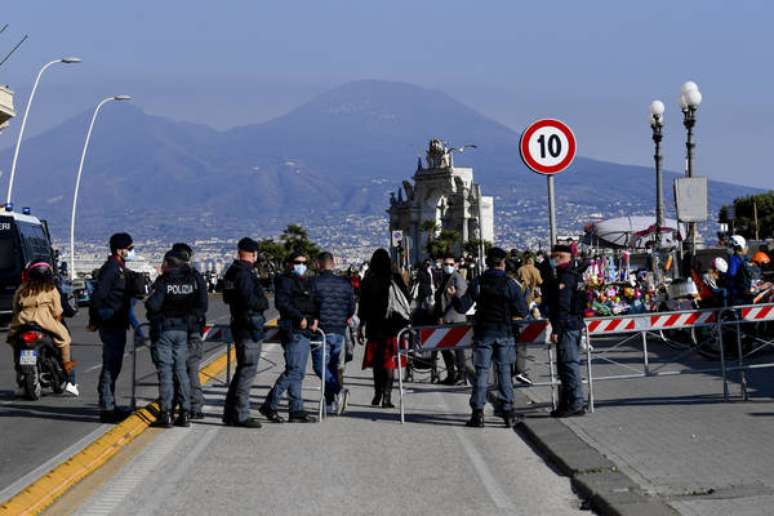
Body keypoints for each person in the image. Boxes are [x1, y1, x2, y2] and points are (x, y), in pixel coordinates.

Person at [450, 247, 529, 428]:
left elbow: (462, 307)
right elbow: (523, 312)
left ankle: (477, 414)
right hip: (504, 333)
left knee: (481, 374)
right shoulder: (510, 284)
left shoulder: (478, 282)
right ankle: (508, 412)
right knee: (504, 374)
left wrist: (454, 297)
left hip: (483, 333)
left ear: (487, 263)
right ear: (503, 263)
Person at [260, 251, 319, 423]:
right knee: (294, 371)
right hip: (293, 329)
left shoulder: (305, 281)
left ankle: (296, 409)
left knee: (298, 372)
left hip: (305, 329)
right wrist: (299, 317)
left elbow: (311, 303)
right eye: (297, 262)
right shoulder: (285, 281)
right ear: (289, 264)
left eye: (304, 262)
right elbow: (283, 303)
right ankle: (270, 404)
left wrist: (314, 318)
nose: (301, 265)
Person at [145, 250, 202, 428]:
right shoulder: (190, 281)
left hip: (166, 330)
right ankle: (185, 413)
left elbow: (153, 305)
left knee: (166, 373)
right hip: (183, 330)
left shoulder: (164, 281)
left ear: (169, 264)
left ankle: (166, 413)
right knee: (182, 372)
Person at [8, 262, 78, 396]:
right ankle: (68, 373)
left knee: (15, 342)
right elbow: (58, 311)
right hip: (45, 321)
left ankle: (20, 374)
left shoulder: (22, 288)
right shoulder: (51, 288)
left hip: (23, 321)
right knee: (64, 341)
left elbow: (15, 307)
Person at [221, 238, 270, 428]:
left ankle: (230, 413)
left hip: (239, 324)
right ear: (253, 253)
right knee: (247, 372)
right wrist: (264, 302)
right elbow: (251, 300)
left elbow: (227, 298)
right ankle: (241, 414)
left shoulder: (232, 272)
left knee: (241, 371)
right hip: (248, 327)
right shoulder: (244, 274)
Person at [89, 233, 138, 423]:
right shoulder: (111, 269)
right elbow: (98, 296)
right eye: (130, 248)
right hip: (111, 323)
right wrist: (95, 319)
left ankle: (110, 404)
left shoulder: (119, 268)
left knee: (114, 365)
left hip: (118, 322)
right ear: (120, 250)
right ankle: (107, 407)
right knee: (111, 364)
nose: (132, 252)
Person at [357, 249, 409, 408]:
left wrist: (361, 326)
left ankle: (377, 393)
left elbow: (363, 306)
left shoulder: (368, 280)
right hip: (392, 326)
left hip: (374, 326)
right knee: (389, 363)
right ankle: (387, 396)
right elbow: (406, 300)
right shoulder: (395, 278)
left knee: (377, 363)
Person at [312, 251, 356, 415]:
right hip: (339, 331)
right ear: (333, 264)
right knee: (331, 367)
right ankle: (330, 402)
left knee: (319, 366)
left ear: (318, 264)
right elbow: (351, 308)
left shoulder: (315, 283)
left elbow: (310, 306)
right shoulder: (345, 284)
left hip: (321, 330)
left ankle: (338, 390)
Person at [545, 244, 586, 418]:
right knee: (565, 367)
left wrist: (557, 329)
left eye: (559, 256)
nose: (555, 260)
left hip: (567, 326)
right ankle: (567, 402)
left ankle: (576, 403)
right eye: (553, 256)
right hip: (573, 324)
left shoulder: (566, 278)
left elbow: (563, 306)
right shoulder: (573, 275)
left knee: (569, 366)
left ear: (568, 257)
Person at [170, 243, 209, 420]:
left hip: (175, 331)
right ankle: (194, 406)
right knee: (191, 369)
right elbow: (203, 305)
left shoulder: (168, 278)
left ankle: (176, 405)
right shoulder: (196, 278)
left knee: (175, 370)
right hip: (192, 331)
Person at [434, 255, 469, 385]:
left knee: (457, 348)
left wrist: (444, 317)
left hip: (454, 318)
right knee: (444, 347)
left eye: (451, 264)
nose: (448, 266)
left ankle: (461, 374)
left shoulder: (457, 279)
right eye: (446, 264)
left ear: (455, 265)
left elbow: (458, 301)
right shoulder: (446, 278)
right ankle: (451, 374)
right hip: (446, 318)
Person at [514, 252, 543, 385]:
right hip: (528, 299)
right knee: (522, 340)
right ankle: (519, 370)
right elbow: (540, 283)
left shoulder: (520, 270)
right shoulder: (536, 270)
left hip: (518, 301)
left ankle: (515, 368)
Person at [727, 235, 752, 306]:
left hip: (737, 293)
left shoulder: (734, 259)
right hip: (747, 291)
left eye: (731, 246)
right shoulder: (745, 259)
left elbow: (732, 274)